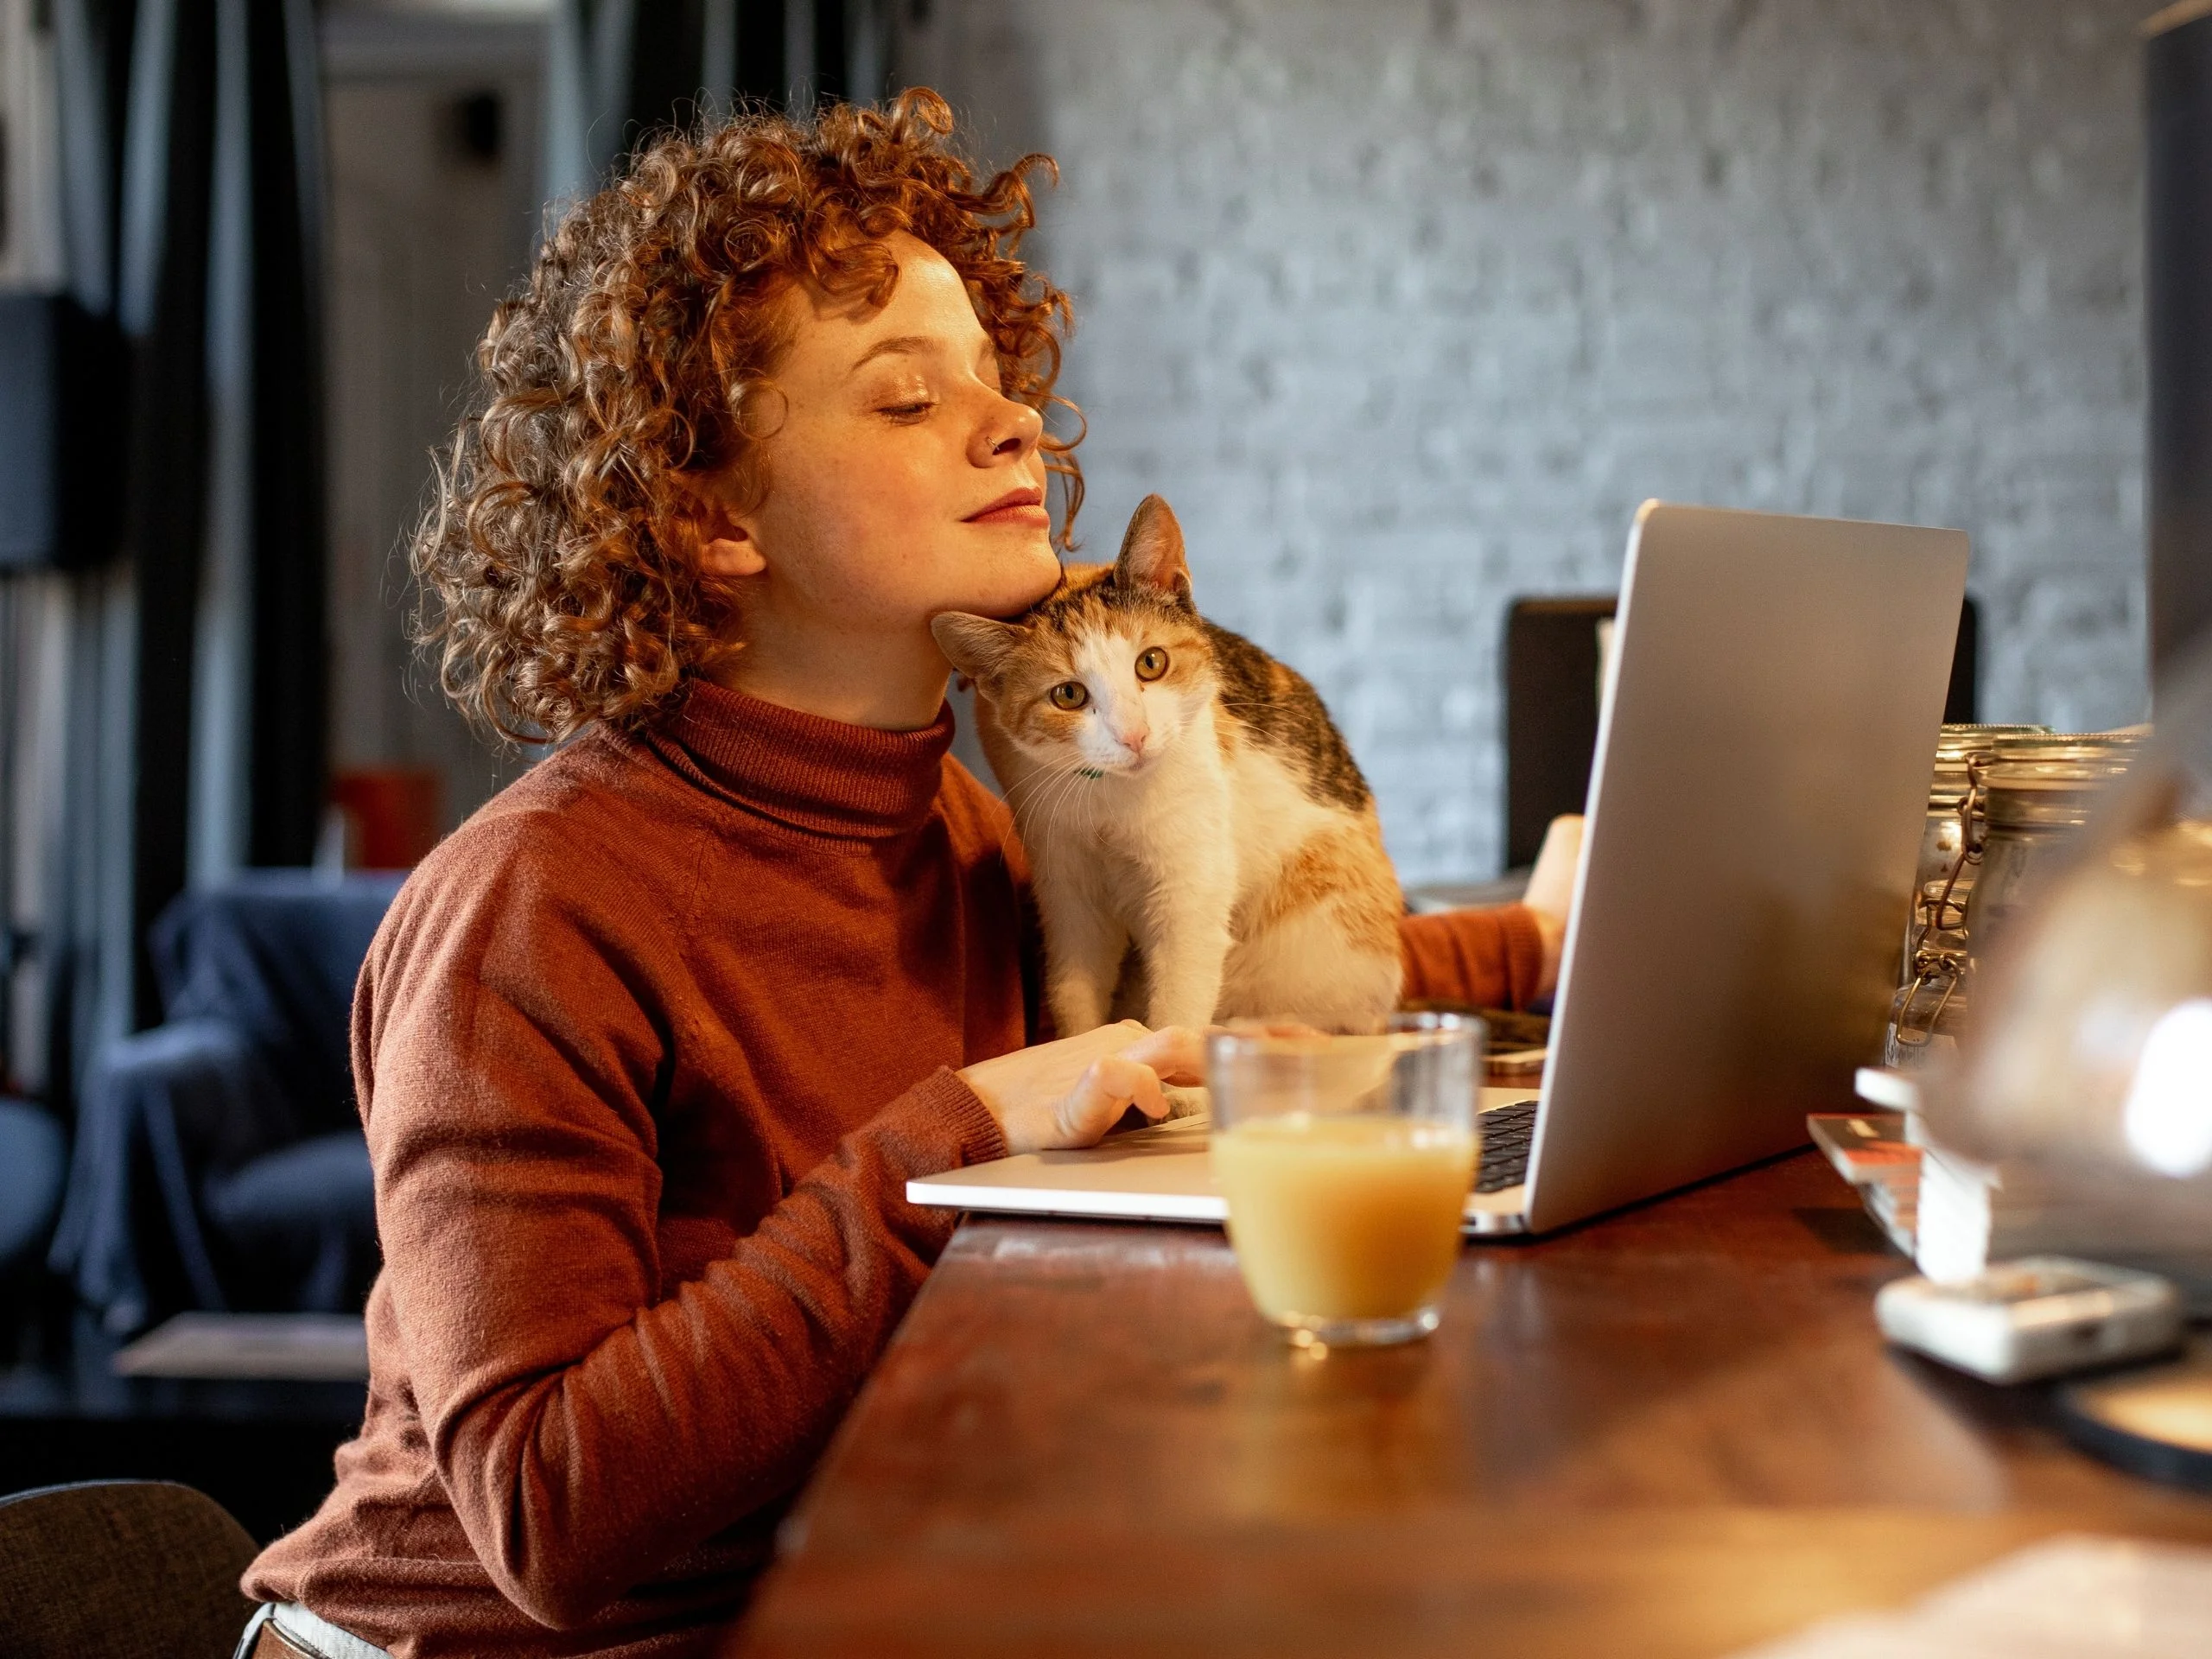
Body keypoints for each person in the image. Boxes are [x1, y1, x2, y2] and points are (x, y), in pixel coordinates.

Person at [237, 92, 1569, 1659]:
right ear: (713, 514)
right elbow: (547, 1517)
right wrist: (966, 1132)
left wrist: (1549, 946)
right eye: (904, 400)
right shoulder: (531, 907)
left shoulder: (964, 823)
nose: (1012, 428)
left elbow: (1231, 953)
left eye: (999, 386)